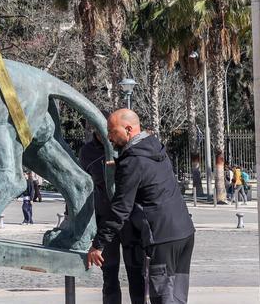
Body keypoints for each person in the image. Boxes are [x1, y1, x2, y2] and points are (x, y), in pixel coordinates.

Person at [88, 110, 195, 304]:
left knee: (163, 297)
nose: (109, 137)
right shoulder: (154, 147)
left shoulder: (132, 161)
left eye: (112, 131)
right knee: (177, 298)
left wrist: (98, 244)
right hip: (184, 232)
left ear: (128, 129)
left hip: (162, 237)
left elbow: (121, 208)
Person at [79, 129, 146, 304]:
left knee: (137, 273)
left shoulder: (126, 147)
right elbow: (81, 185)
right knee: (109, 275)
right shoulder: (88, 152)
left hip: (130, 219)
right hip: (105, 220)